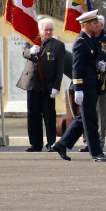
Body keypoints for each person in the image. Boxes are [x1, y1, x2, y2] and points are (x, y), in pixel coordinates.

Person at [53, 10, 106, 162]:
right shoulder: (80, 42)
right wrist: (78, 90)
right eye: (94, 23)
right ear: (86, 25)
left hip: (91, 86)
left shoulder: (89, 40)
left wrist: (97, 64)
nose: (97, 25)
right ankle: (96, 152)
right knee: (90, 120)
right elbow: (76, 68)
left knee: (82, 119)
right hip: (84, 87)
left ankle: (62, 144)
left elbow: (87, 62)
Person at [15, 17, 64, 152]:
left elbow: (60, 69)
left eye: (50, 30)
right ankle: (35, 144)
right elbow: (24, 53)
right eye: (46, 30)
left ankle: (51, 143)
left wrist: (56, 86)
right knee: (33, 115)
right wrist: (31, 51)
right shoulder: (31, 41)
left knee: (49, 115)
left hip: (48, 86)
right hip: (32, 84)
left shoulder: (58, 45)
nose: (48, 32)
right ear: (40, 30)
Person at [79, 15, 106, 152]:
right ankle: (87, 141)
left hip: (102, 83)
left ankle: (100, 142)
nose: (98, 26)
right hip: (88, 83)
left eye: (99, 24)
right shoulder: (86, 40)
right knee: (86, 113)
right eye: (95, 24)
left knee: (100, 114)